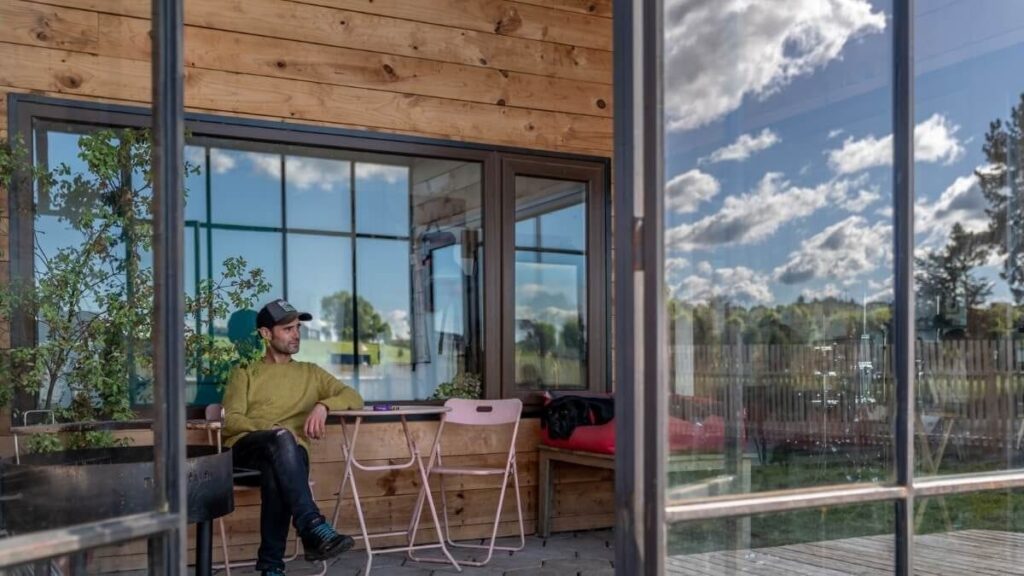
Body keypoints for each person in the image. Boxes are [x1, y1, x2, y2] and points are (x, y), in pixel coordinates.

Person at [222, 298, 364, 576]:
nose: (296, 334)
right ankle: (311, 526)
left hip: (285, 461)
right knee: (284, 441)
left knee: (282, 468)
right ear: (266, 334)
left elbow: (354, 397)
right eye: (287, 329)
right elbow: (231, 420)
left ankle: (271, 567)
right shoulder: (245, 371)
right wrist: (274, 428)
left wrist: (324, 406)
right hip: (245, 451)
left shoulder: (310, 372)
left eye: (297, 328)